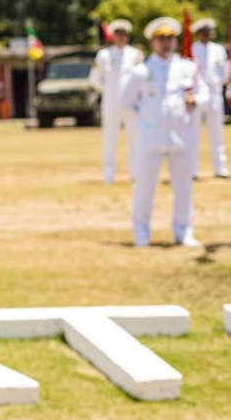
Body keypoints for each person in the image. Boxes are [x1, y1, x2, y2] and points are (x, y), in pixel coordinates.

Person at [123, 17, 206, 247]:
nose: (166, 43)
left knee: (184, 187)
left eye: (170, 38)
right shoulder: (141, 72)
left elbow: (205, 94)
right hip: (151, 137)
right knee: (144, 187)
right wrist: (145, 122)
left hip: (182, 135)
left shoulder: (188, 68)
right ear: (152, 42)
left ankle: (183, 231)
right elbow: (126, 101)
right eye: (161, 39)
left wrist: (196, 100)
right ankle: (141, 233)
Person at [89, 19, 144, 184]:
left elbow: (142, 78)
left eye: (124, 34)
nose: (121, 37)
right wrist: (108, 90)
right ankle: (109, 174)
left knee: (135, 139)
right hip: (111, 103)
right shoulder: (104, 55)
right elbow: (94, 80)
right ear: (112, 36)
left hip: (132, 103)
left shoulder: (136, 54)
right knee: (109, 139)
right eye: (118, 34)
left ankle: (136, 172)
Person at [189, 18, 229, 178]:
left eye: (208, 32)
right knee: (192, 133)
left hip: (214, 94)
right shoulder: (191, 48)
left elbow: (224, 72)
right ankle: (192, 169)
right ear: (198, 34)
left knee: (217, 133)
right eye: (202, 33)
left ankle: (220, 168)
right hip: (196, 94)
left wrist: (216, 83)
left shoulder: (219, 49)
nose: (205, 35)